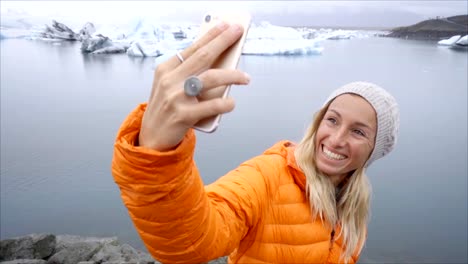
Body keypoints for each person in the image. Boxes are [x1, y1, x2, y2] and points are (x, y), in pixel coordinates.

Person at [111, 23, 399, 264]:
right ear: (318, 122)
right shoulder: (268, 175)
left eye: (358, 132)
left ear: (375, 149)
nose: (336, 139)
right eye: (332, 120)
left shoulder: (353, 206)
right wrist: (155, 154)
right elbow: (193, 241)